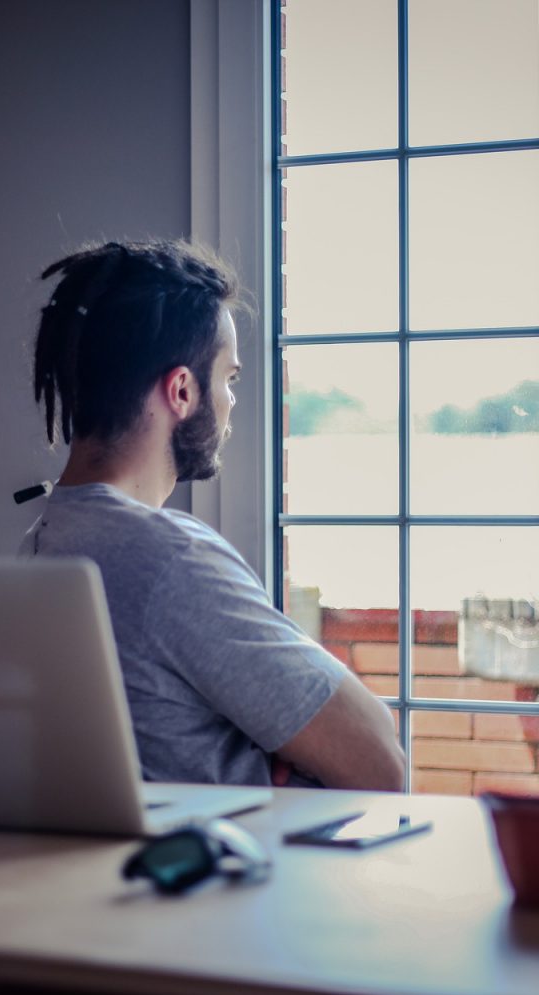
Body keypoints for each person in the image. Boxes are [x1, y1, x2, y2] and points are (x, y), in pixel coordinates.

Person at [20, 239, 404, 791]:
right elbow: (380, 761)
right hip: (241, 872)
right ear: (181, 390)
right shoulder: (167, 559)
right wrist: (272, 744)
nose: (231, 401)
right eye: (228, 378)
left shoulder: (44, 540)